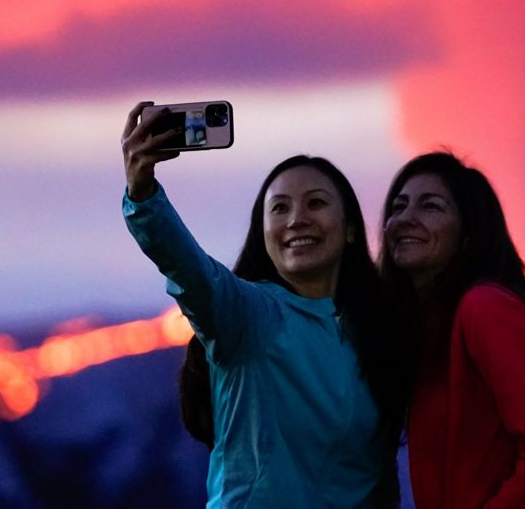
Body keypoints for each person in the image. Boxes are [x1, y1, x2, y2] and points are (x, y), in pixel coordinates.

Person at [120, 102, 411, 508]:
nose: (296, 219)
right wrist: (144, 195)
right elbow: (189, 270)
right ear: (264, 232)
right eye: (280, 208)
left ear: (349, 230)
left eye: (316, 203)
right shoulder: (248, 315)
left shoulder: (379, 338)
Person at [379, 151, 525, 508]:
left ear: (468, 234)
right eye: (399, 206)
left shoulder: (485, 308)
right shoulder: (424, 333)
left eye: (431, 207)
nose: (406, 219)